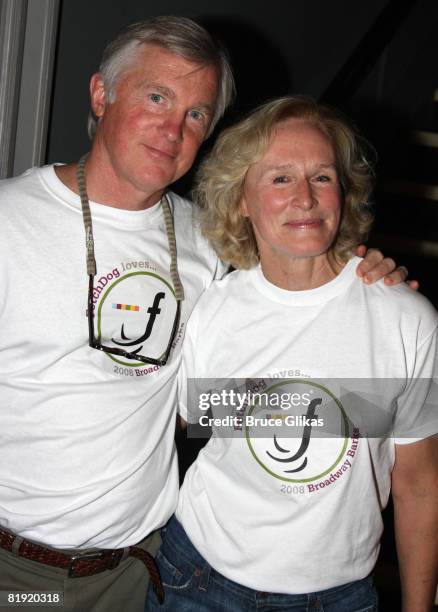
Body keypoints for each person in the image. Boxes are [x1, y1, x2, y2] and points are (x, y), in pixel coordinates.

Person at [0, 16, 410, 612]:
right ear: (100, 94)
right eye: (157, 96)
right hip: (19, 573)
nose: (173, 128)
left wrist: (368, 273)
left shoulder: (208, 240)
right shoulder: (9, 222)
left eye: (196, 114)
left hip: (143, 568)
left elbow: (292, 304)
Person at [146, 96, 438, 611]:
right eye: (280, 178)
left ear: (343, 192)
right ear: (241, 199)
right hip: (197, 580)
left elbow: (417, 485)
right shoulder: (211, 310)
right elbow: (164, 431)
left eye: (322, 177)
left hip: (339, 597)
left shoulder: (405, 319)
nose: (305, 197)